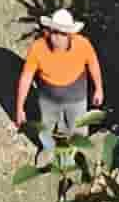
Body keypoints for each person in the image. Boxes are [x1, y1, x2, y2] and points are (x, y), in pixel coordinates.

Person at [15, 10, 104, 160]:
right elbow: (26, 77)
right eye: (54, 32)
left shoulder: (83, 45)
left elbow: (93, 64)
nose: (57, 37)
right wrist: (19, 108)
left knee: (78, 126)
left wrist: (99, 88)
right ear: (49, 31)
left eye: (62, 33)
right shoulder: (38, 48)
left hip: (76, 94)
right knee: (46, 126)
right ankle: (47, 149)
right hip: (48, 97)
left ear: (70, 34)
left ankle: (76, 152)